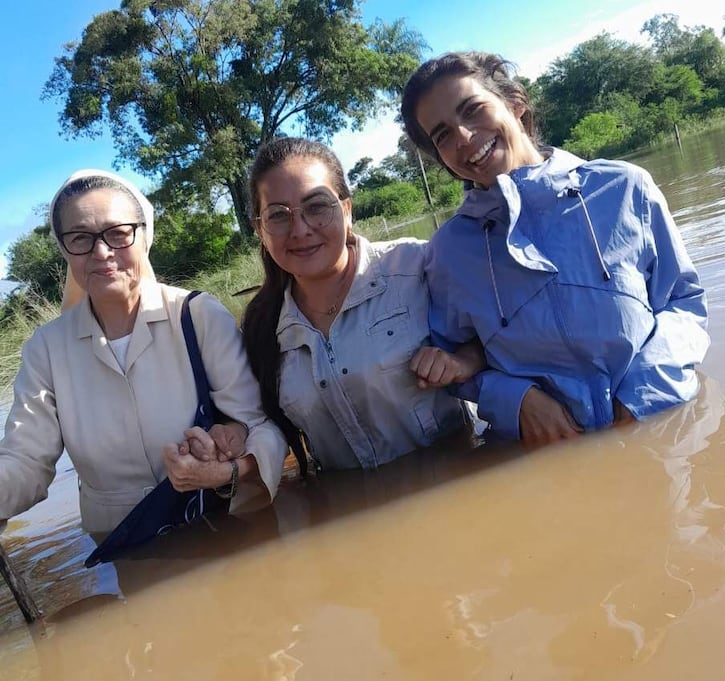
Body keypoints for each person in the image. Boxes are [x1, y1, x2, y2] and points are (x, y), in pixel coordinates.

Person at [399, 51, 710, 446]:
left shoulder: (624, 187)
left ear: (515, 104)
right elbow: (454, 364)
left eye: (473, 109)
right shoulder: (449, 251)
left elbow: (684, 302)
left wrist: (645, 392)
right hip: (544, 453)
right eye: (442, 135)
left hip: (667, 432)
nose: (462, 136)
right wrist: (516, 401)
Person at [0, 170, 288, 534]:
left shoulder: (197, 316)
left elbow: (260, 426)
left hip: (227, 525)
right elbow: (26, 460)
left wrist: (225, 469)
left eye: (119, 233)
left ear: (144, 234)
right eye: (80, 238)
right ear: (64, 248)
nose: (101, 252)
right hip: (122, 545)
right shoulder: (46, 349)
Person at [241, 136, 483, 473]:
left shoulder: (417, 266)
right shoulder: (262, 326)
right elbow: (263, 425)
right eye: (278, 216)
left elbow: (502, 334)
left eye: (316, 206)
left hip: (460, 480)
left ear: (346, 210)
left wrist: (465, 360)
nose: (300, 230)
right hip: (351, 499)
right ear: (260, 230)